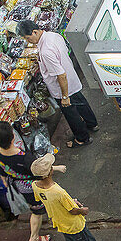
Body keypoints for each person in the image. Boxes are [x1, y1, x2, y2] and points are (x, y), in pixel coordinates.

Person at [30, 153, 114, 241]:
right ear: (50, 172)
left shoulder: (35, 185)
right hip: (74, 225)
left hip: (60, 223)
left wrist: (70, 201)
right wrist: (83, 210)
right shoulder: (58, 192)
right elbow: (73, 210)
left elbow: (48, 201)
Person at [16, 20, 98, 148]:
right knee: (80, 102)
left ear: (35, 32)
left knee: (71, 114)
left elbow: (61, 75)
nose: (28, 41)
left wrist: (64, 97)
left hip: (62, 87)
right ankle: (92, 123)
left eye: (28, 38)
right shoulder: (53, 36)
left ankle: (82, 138)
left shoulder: (45, 51)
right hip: (72, 80)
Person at [0, 121, 48, 241]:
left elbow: (1, 173)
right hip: (32, 187)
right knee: (37, 211)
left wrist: (7, 183)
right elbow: (40, 174)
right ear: (13, 136)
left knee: (36, 206)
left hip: (18, 186)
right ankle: (34, 238)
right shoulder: (25, 158)